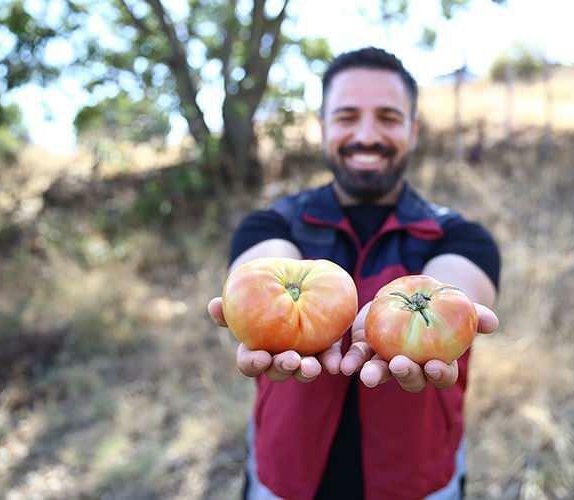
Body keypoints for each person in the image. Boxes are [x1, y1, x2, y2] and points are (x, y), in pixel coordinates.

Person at [208, 47, 501, 500]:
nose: (367, 134)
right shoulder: (271, 224)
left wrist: (437, 318)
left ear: (412, 129)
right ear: (323, 126)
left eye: (387, 117)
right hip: (284, 480)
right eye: (346, 117)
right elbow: (261, 270)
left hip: (419, 483)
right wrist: (260, 297)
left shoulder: (461, 236)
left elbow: (455, 292)